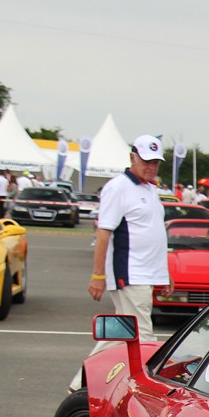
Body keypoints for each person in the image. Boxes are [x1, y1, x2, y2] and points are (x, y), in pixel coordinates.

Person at [76, 136, 169, 388]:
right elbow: (104, 232)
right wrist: (97, 276)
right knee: (144, 337)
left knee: (121, 333)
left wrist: (164, 275)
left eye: (155, 163)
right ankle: (147, 390)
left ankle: (81, 384)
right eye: (146, 161)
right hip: (130, 273)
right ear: (132, 158)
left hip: (146, 274)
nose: (151, 167)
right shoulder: (118, 187)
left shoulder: (150, 189)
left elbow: (153, 234)